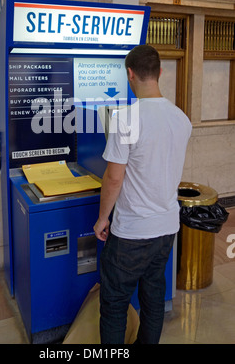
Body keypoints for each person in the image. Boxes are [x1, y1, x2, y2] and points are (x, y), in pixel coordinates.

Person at [93, 44, 192, 344]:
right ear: (160, 72)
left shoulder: (125, 119)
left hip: (132, 232)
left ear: (130, 74)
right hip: (166, 229)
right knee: (153, 298)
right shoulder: (181, 119)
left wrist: (101, 219)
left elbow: (113, 178)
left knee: (114, 305)